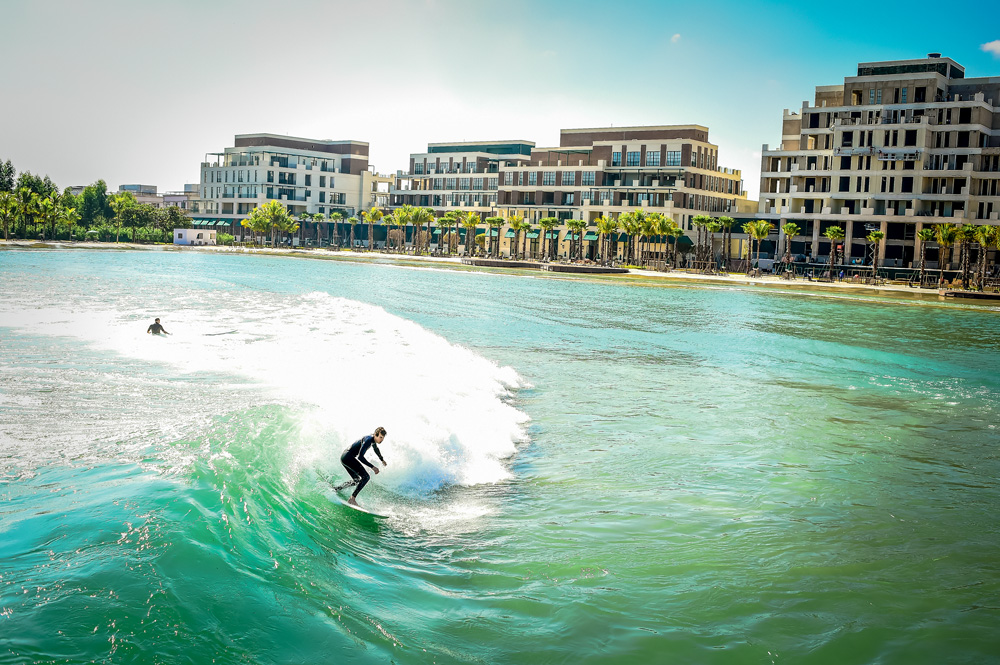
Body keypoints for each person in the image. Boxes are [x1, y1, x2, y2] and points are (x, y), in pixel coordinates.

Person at [340, 427, 387, 506]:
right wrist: (373, 467)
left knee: (357, 480)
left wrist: (382, 459)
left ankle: (337, 488)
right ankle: (352, 499)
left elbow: (376, 449)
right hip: (348, 457)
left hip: (345, 457)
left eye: (383, 438)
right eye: (380, 437)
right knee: (366, 477)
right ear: (376, 435)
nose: (381, 440)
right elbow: (360, 457)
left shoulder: (372, 440)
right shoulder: (368, 440)